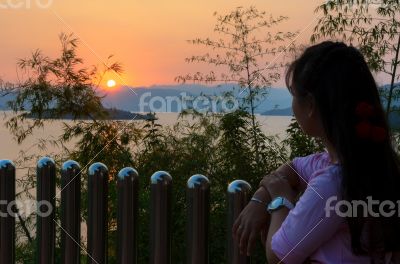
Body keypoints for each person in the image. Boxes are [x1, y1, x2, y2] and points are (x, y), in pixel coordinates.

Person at [232, 41, 400, 264]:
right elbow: (292, 169)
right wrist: (260, 198)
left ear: (310, 105)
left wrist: (280, 200)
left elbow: (278, 255)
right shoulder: (364, 164)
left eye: (293, 94)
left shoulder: (332, 184)